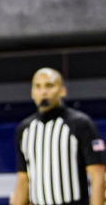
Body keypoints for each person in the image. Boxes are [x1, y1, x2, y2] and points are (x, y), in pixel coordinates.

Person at [11, 68, 104, 205]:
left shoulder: (81, 123)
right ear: (32, 93)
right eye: (38, 86)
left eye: (49, 85)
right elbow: (23, 180)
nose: (43, 92)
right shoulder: (25, 129)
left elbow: (98, 175)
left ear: (62, 90)